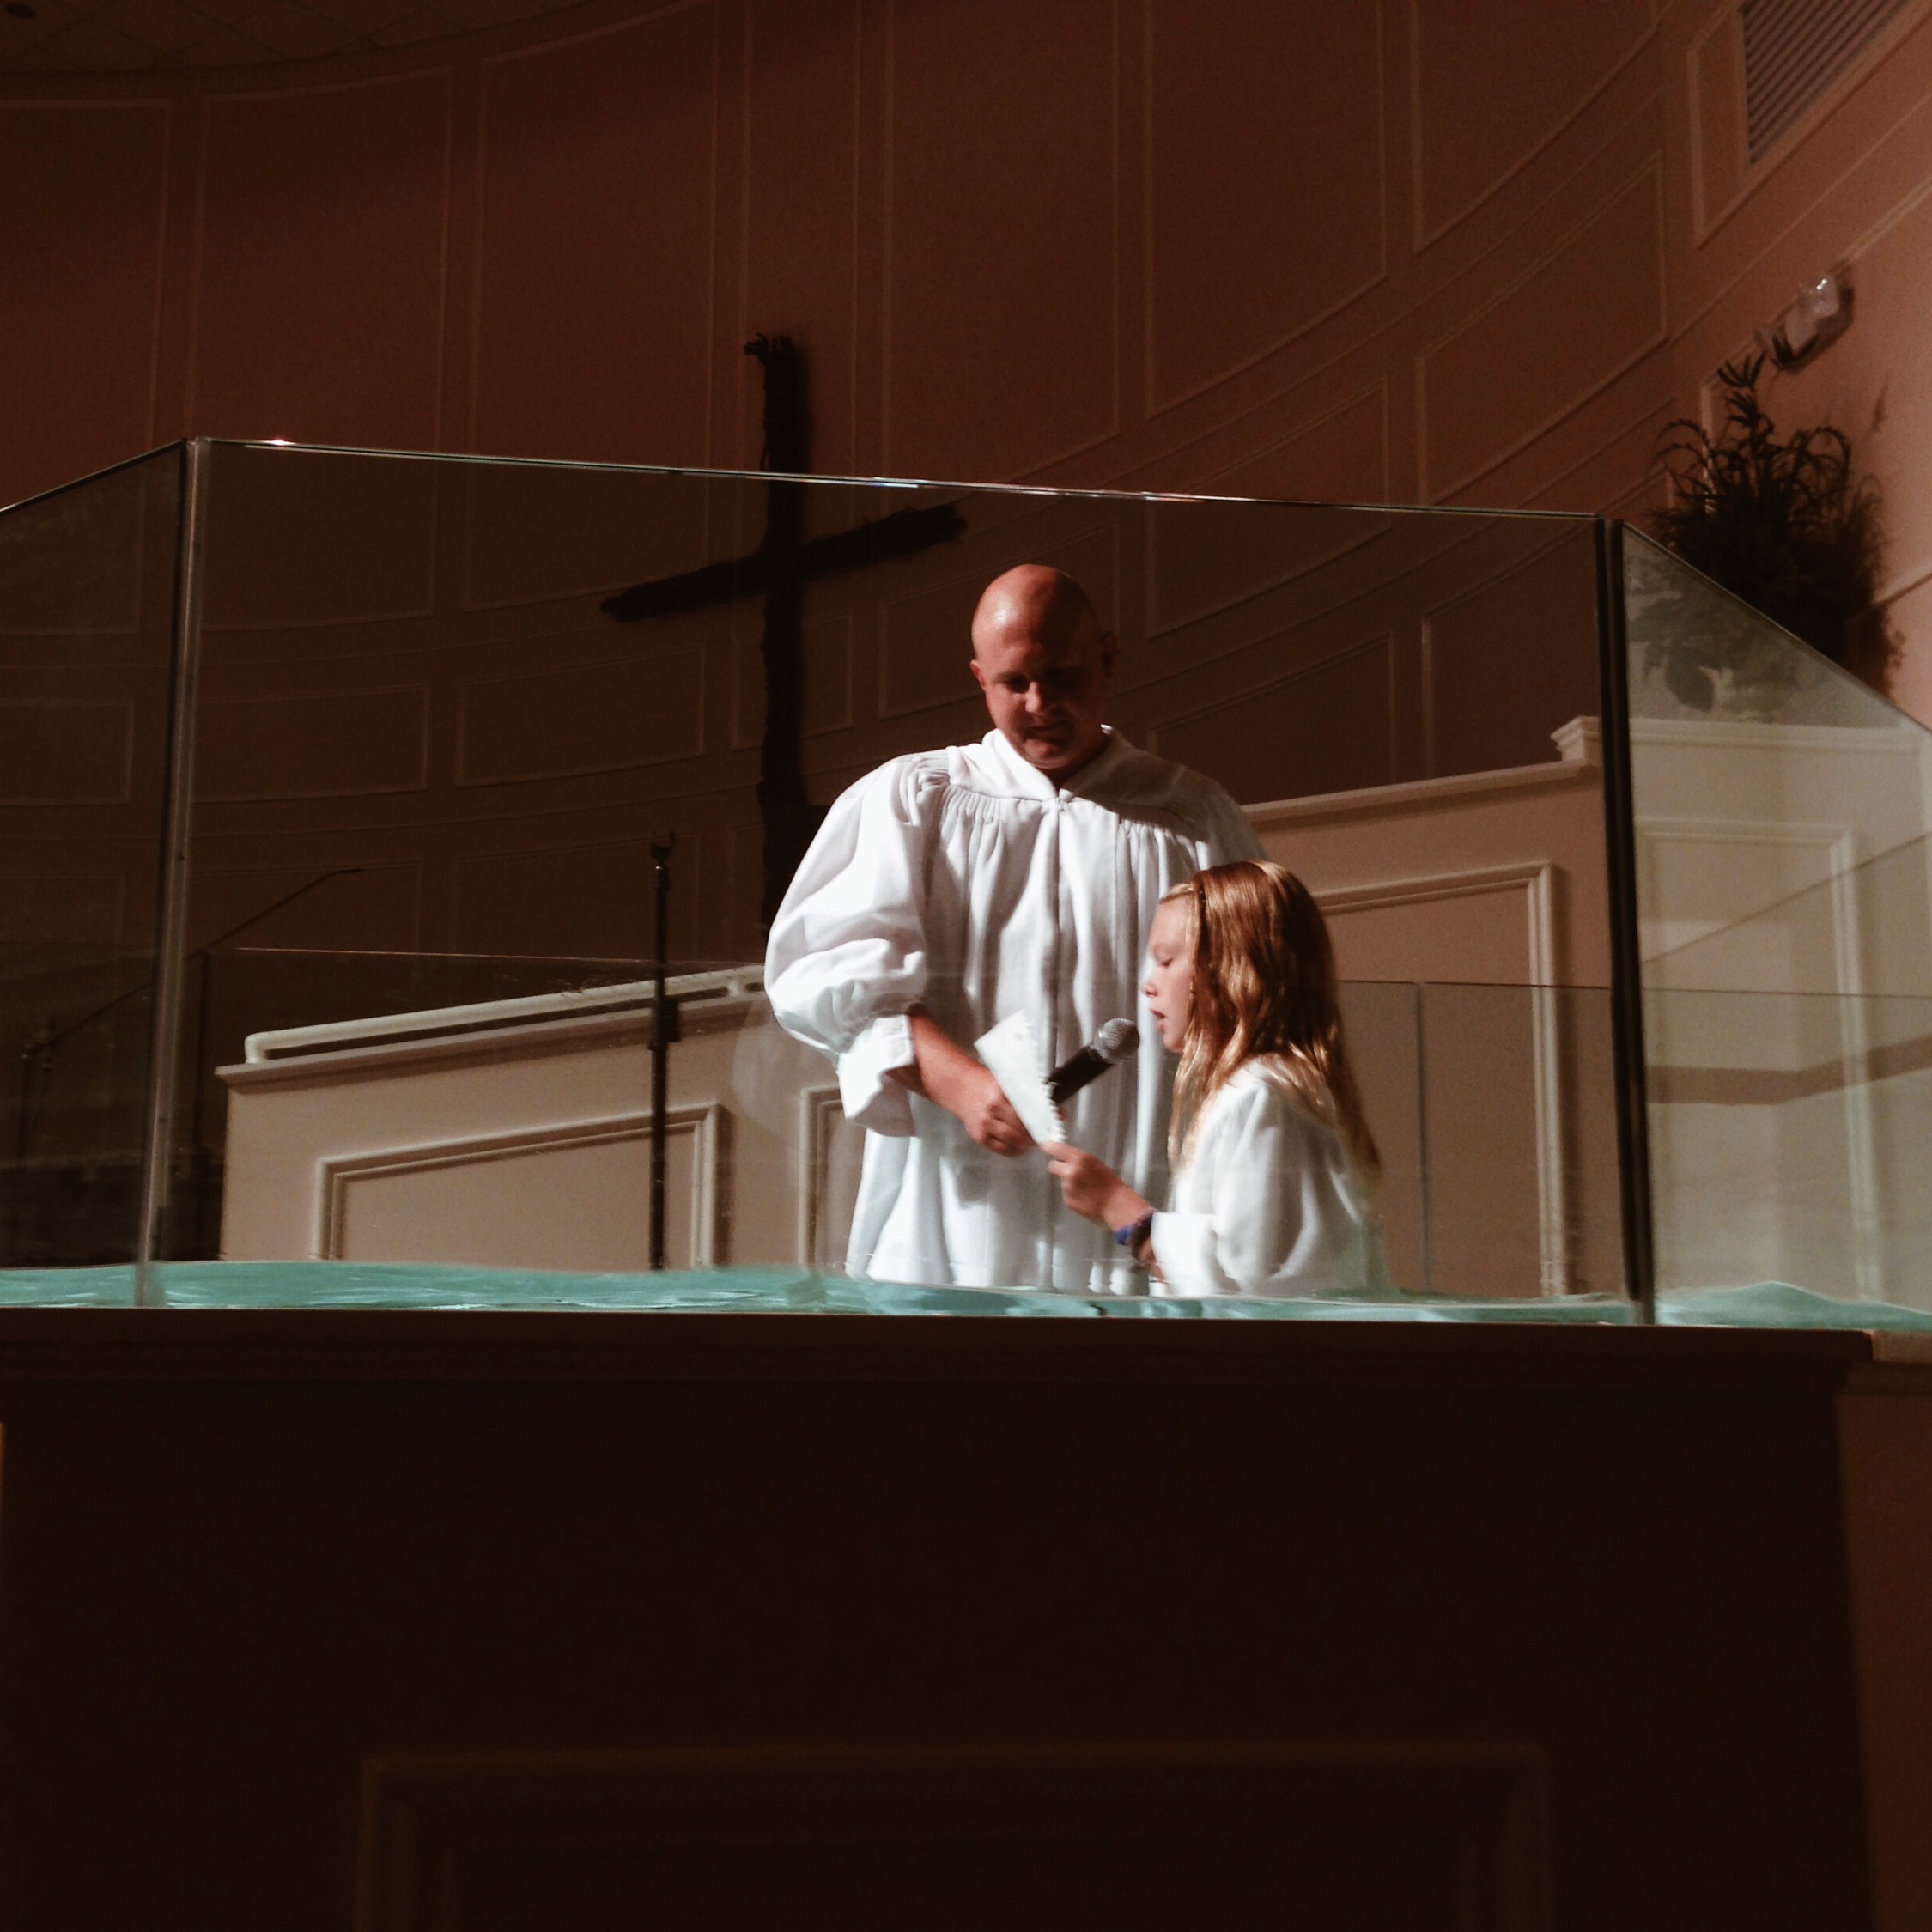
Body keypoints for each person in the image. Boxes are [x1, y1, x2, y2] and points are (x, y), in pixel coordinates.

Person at [764, 563, 1262, 1291]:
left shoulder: (1190, 815)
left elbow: (1257, 997)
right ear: (979, 678)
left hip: (1136, 1193)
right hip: (958, 1210)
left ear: (1109, 658)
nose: (1040, 704)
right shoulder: (916, 801)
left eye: (1062, 676)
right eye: (1014, 683)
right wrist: (963, 1085)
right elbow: (828, 975)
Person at [1043, 860, 1389, 1297]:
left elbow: (1256, 1273)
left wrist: (1120, 1209)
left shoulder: (1262, 1094)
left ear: (1229, 970)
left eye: (1166, 960)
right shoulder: (1266, 1089)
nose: (1149, 984)